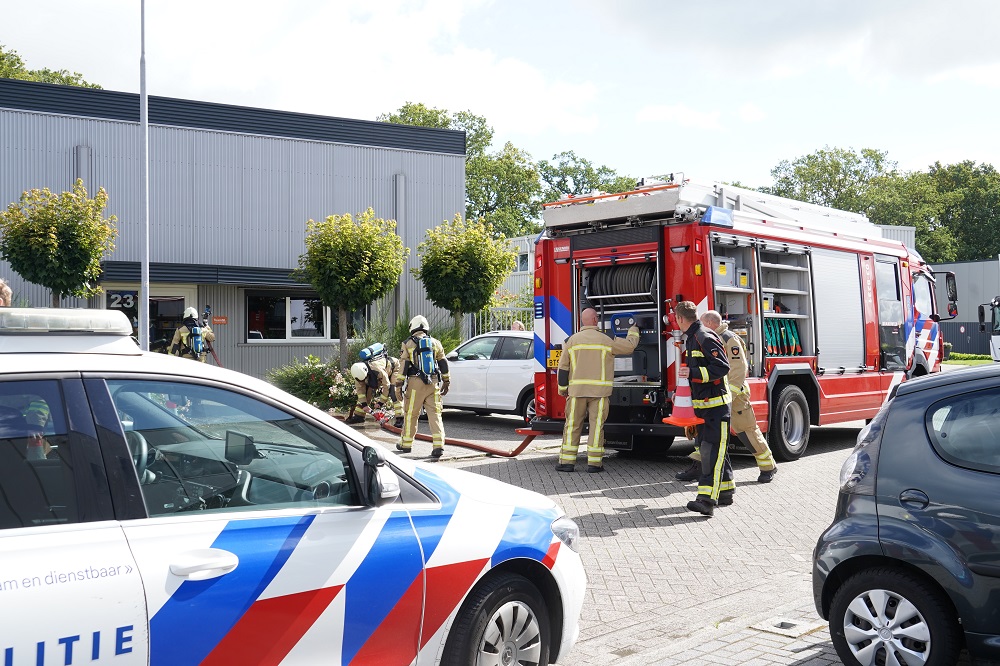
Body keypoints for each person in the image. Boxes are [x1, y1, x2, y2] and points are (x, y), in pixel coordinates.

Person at [676, 311, 778, 483]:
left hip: (735, 396)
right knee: (707, 434)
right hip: (718, 396)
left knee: (746, 432)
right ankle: (699, 467)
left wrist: (729, 394)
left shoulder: (728, 338)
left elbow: (738, 369)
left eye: (702, 323)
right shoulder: (709, 338)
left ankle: (768, 466)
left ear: (709, 323)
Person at [556, 308, 639, 473]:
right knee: (596, 426)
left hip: (576, 392)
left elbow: (563, 367)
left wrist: (563, 388)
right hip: (599, 393)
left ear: (582, 321)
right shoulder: (606, 340)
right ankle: (594, 464)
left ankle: (567, 462)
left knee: (572, 425)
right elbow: (629, 347)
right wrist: (634, 330)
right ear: (595, 320)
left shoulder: (571, 341)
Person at [674, 301, 735, 517]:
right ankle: (726, 491)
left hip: (716, 407)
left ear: (680, 319)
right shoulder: (693, 337)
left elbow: (722, 367)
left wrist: (692, 373)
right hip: (706, 407)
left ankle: (706, 500)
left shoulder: (703, 337)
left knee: (711, 453)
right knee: (717, 450)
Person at [396, 315, 449, 457]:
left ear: (412, 327)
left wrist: (398, 385)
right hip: (433, 383)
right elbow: (443, 362)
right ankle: (438, 446)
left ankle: (406, 444)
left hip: (415, 384)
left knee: (411, 414)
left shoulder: (408, 343)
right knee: (435, 414)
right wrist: (447, 380)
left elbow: (404, 365)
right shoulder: (435, 342)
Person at [345, 353, 404, 427]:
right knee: (366, 391)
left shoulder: (378, 370)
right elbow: (360, 391)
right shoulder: (357, 373)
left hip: (394, 368)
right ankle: (359, 416)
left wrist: (380, 403)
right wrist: (364, 405)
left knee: (394, 391)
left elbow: (387, 386)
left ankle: (400, 417)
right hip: (377, 373)